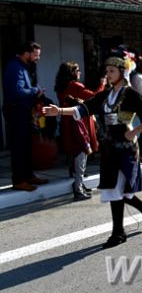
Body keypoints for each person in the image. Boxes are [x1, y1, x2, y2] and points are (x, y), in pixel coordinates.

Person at [43, 56, 142, 248]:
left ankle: (118, 233)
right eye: (107, 71)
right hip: (109, 147)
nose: (108, 74)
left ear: (122, 73)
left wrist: (134, 131)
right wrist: (59, 111)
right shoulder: (105, 96)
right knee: (116, 189)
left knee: (116, 189)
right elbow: (83, 109)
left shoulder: (130, 94)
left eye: (111, 71)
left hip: (125, 148)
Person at [55, 61, 106, 200]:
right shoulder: (74, 85)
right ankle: (78, 189)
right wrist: (102, 84)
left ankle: (79, 185)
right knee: (81, 155)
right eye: (77, 70)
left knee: (76, 155)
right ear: (71, 73)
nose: (79, 73)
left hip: (67, 122)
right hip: (78, 121)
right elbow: (93, 96)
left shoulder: (61, 87)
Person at [2, 41, 48, 191]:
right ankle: (19, 180)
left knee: (27, 145)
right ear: (26, 53)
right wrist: (35, 90)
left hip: (24, 110)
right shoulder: (15, 67)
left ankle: (28, 176)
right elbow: (18, 92)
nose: (37, 58)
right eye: (36, 55)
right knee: (19, 146)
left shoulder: (23, 67)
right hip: (16, 111)